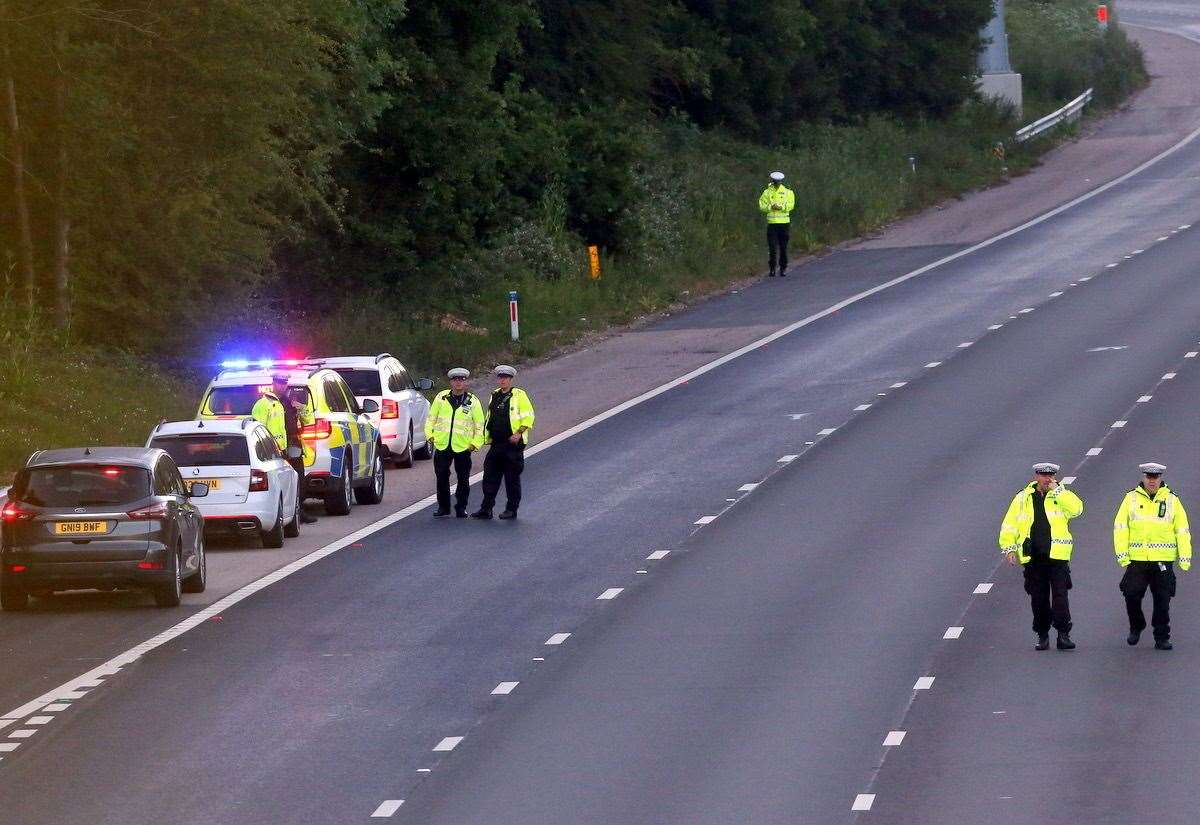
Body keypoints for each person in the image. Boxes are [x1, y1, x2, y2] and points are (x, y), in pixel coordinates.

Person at [999, 462, 1085, 651]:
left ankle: (1063, 635)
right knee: (1038, 598)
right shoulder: (1023, 498)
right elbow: (1010, 524)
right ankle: (1042, 635)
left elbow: (1077, 509)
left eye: (1050, 475)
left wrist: (1058, 491)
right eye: (1043, 475)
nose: (1047, 479)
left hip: (1058, 556)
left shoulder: (1061, 495)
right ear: (1036, 476)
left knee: (1061, 597)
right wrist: (1009, 549)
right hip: (1034, 557)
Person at [1113, 462, 1191, 650]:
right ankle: (1137, 625)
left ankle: (1162, 637)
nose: (1152, 481)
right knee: (1131, 594)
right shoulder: (1130, 498)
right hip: (1137, 559)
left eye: (1155, 478)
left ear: (1160, 478)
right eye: (1149, 477)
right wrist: (1123, 555)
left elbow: (1182, 530)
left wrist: (1185, 557)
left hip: (1162, 560)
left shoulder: (1172, 500)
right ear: (1143, 478)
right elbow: (1120, 527)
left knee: (1162, 600)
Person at [472, 365, 536, 520]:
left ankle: (511, 509)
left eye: (506, 378)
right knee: (489, 476)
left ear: (511, 379)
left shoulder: (519, 395)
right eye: (500, 378)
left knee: (511, 478)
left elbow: (529, 416)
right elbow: (490, 417)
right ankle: (486, 509)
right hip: (496, 443)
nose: (503, 380)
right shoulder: (495, 395)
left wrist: (519, 433)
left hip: (512, 445)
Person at [425, 367, 485, 518]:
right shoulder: (441, 397)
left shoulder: (472, 401)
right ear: (451, 382)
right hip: (442, 444)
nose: (458, 383)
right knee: (442, 477)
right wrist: (430, 436)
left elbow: (479, 425)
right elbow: (431, 419)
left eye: (461, 380)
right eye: (455, 380)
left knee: (463, 479)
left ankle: (461, 507)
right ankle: (443, 507)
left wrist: (475, 444)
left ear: (466, 382)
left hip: (463, 447)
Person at [269, 373, 318, 524]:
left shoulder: (290, 401)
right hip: (275, 449)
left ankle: (298, 511)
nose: (282, 386)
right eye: (279, 382)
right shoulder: (266, 403)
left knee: (298, 479)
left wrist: (302, 408)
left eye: (284, 383)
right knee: (279, 482)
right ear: (273, 383)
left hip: (293, 445)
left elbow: (308, 421)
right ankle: (281, 515)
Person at [758, 171, 795, 277]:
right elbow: (761, 205)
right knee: (772, 247)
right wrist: (770, 207)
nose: (777, 183)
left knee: (783, 247)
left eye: (778, 181)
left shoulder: (788, 192)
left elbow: (791, 205)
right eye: (775, 181)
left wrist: (781, 207)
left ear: (781, 181)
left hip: (784, 224)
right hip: (772, 224)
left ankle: (783, 268)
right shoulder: (767, 193)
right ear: (772, 181)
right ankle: (772, 268)